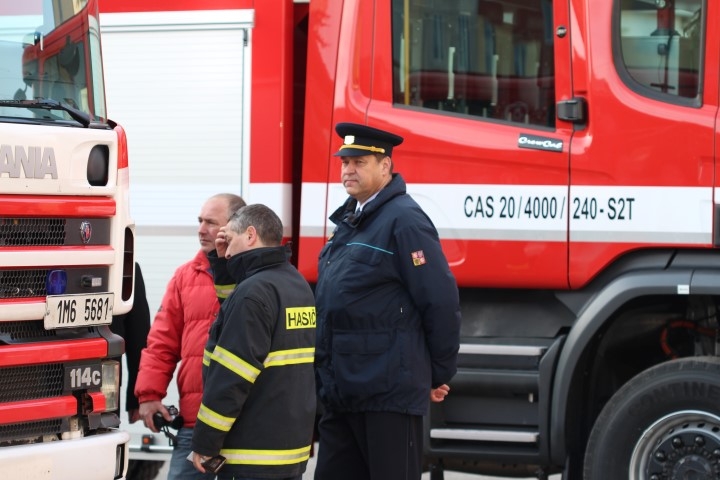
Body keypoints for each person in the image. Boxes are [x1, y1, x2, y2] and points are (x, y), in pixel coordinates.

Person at [313, 122, 462, 480]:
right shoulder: (352, 219)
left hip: (386, 395)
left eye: (359, 162)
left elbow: (438, 301)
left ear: (385, 167)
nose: (348, 169)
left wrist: (436, 372)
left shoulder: (404, 220)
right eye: (344, 162)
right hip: (342, 392)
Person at [190, 204, 317, 480]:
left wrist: (205, 443)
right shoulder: (295, 283)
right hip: (287, 450)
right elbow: (232, 310)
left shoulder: (254, 293)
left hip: (251, 452)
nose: (228, 249)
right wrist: (223, 264)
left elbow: (231, 376)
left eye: (231, 239)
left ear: (250, 235)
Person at [135, 192, 246, 480]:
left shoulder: (255, 278)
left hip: (247, 424)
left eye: (211, 222)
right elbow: (161, 343)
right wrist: (148, 395)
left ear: (234, 226)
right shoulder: (185, 276)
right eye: (199, 221)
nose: (201, 230)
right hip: (194, 424)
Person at [110, 262, 151, 424]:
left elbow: (139, 338)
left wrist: (136, 398)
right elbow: (139, 338)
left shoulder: (127, 269)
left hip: (105, 391)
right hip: (104, 391)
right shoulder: (125, 268)